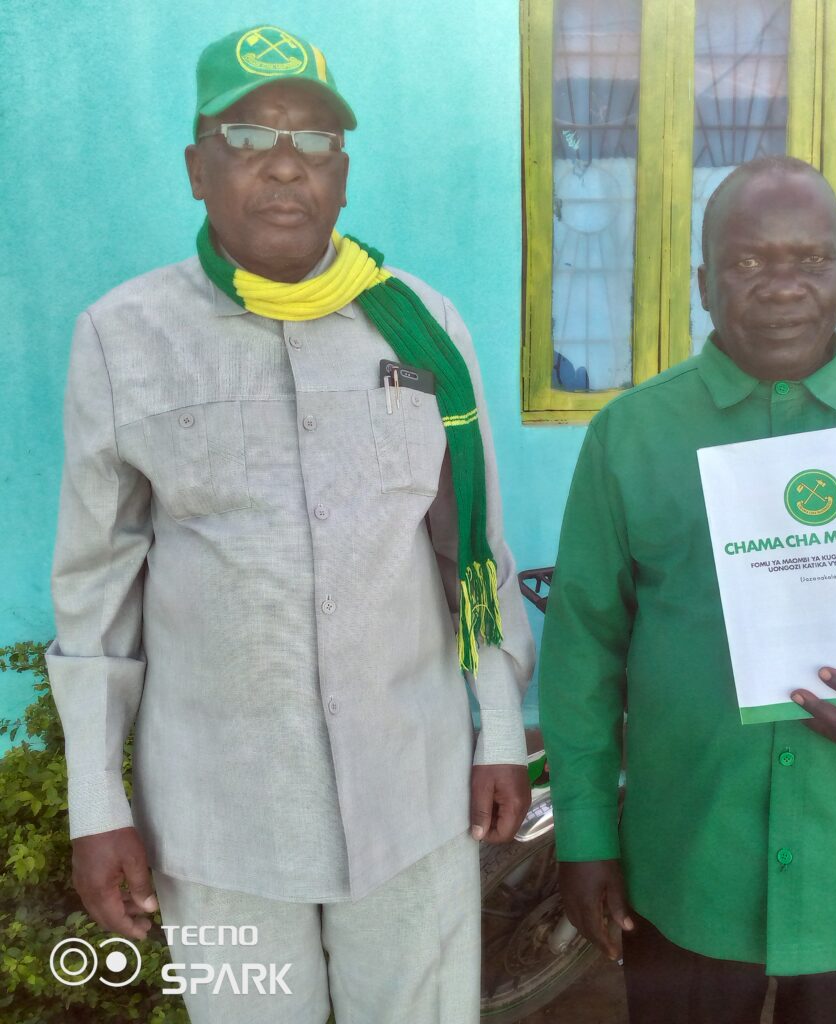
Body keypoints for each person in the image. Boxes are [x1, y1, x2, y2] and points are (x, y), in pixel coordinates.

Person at [46, 24, 534, 1024]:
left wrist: (497, 731)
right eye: (246, 134)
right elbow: (95, 591)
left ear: (342, 175)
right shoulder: (122, 338)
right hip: (218, 823)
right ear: (197, 169)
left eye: (314, 139)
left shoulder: (423, 328)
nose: (283, 163)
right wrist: (97, 803)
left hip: (412, 798)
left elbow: (470, 552)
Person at [538, 156, 836, 1024]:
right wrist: (584, 837)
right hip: (687, 869)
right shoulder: (631, 436)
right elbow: (584, 650)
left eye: (810, 259)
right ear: (704, 282)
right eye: (749, 260)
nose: (783, 285)